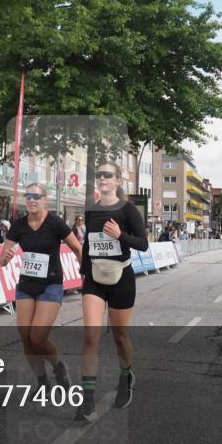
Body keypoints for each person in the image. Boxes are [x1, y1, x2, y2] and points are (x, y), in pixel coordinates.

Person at [78, 162, 149, 421]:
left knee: (120, 336)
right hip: (95, 278)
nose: (102, 179)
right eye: (99, 175)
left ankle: (126, 373)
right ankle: (87, 402)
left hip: (122, 277)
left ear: (118, 180)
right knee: (90, 337)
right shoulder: (91, 210)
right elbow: (88, 242)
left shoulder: (128, 209)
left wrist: (120, 235)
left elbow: (142, 244)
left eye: (108, 175)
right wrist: (84, 271)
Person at [0, 182, 82, 392]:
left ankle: (58, 366)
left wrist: (85, 274)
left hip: (50, 284)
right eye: (29, 196)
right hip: (26, 285)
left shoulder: (55, 223)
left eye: (37, 196)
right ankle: (42, 381)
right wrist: (6, 257)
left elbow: (77, 248)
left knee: (38, 336)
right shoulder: (18, 225)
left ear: (45, 199)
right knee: (26, 337)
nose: (32, 200)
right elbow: (2, 260)